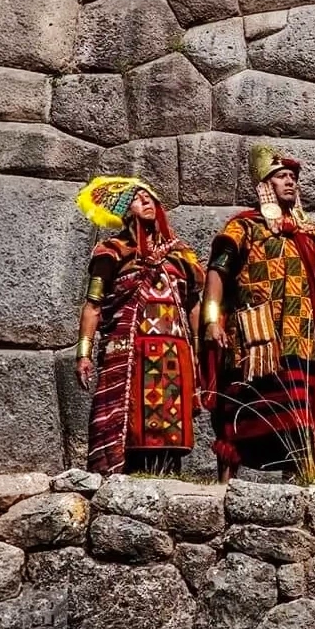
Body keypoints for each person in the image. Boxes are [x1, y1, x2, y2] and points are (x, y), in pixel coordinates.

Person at [199, 145, 315, 482]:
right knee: (241, 410)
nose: (290, 182)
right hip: (255, 338)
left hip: (299, 339)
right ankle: (224, 485)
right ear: (266, 185)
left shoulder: (308, 237)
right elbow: (217, 272)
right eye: (281, 176)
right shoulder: (243, 227)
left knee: (297, 417)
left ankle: (299, 481)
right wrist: (210, 319)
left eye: (293, 177)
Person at [74, 176, 204, 475]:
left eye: (149, 197)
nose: (146, 201)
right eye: (136, 198)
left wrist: (199, 351)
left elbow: (193, 305)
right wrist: (83, 353)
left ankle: (166, 477)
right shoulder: (111, 252)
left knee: (171, 424)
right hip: (128, 351)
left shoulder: (181, 255)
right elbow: (93, 306)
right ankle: (120, 478)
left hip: (174, 353)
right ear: (124, 210)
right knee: (125, 419)